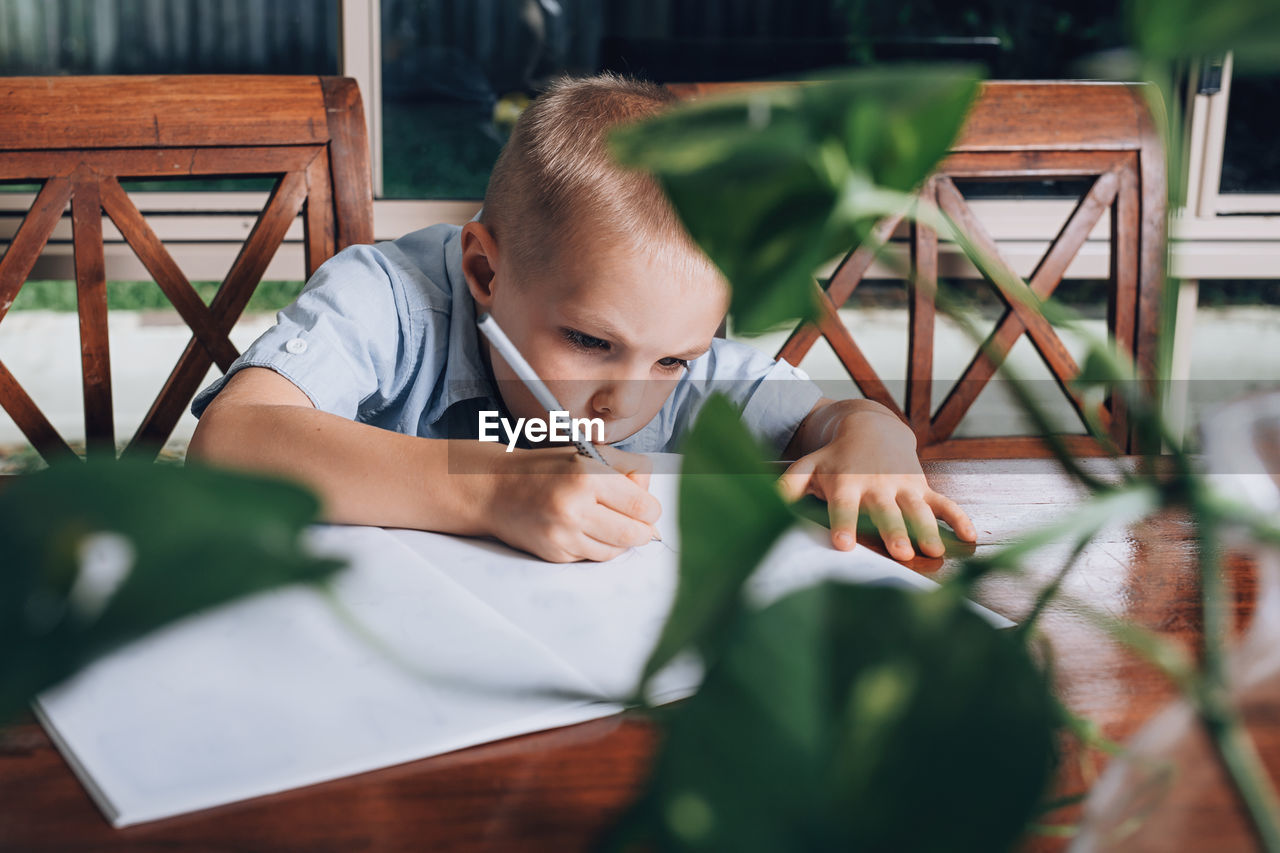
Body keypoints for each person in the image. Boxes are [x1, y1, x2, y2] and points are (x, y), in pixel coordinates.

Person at [188, 73, 975, 564]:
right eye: (591, 342)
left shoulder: (673, 355)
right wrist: (488, 489)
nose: (627, 403)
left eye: (672, 361)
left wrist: (876, 433)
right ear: (485, 271)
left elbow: (830, 420)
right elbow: (231, 439)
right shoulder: (389, 297)